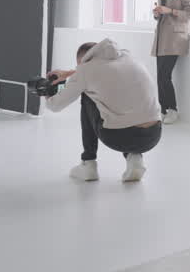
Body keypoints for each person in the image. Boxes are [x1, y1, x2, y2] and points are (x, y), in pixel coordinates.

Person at [44, 39, 162, 183]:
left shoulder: (86, 71)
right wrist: (70, 73)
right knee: (122, 101)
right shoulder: (128, 57)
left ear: (83, 61)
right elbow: (103, 70)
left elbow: (55, 105)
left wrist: (49, 90)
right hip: (153, 135)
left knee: (87, 96)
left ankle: (88, 164)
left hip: (119, 138)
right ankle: (135, 159)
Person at [151, 0, 190, 125]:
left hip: (175, 38)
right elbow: (161, 13)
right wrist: (157, 13)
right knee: (159, 76)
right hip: (162, 36)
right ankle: (162, 110)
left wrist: (170, 11)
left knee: (164, 75)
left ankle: (173, 110)